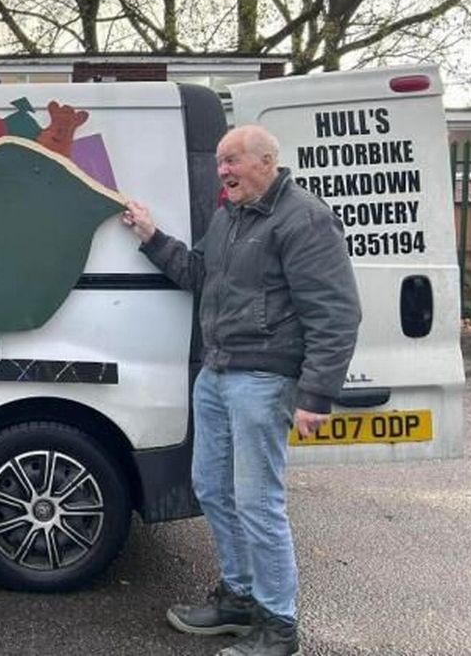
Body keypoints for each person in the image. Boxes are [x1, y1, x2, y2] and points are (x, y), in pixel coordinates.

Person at [120, 124, 360, 656]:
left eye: (232, 160)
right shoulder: (230, 217)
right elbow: (200, 274)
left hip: (263, 379)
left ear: (266, 161)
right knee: (212, 488)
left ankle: (279, 625)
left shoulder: (304, 218)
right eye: (221, 161)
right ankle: (239, 598)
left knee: (258, 501)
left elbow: (336, 313)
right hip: (218, 373)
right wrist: (151, 237)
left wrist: (315, 395)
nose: (222, 169)